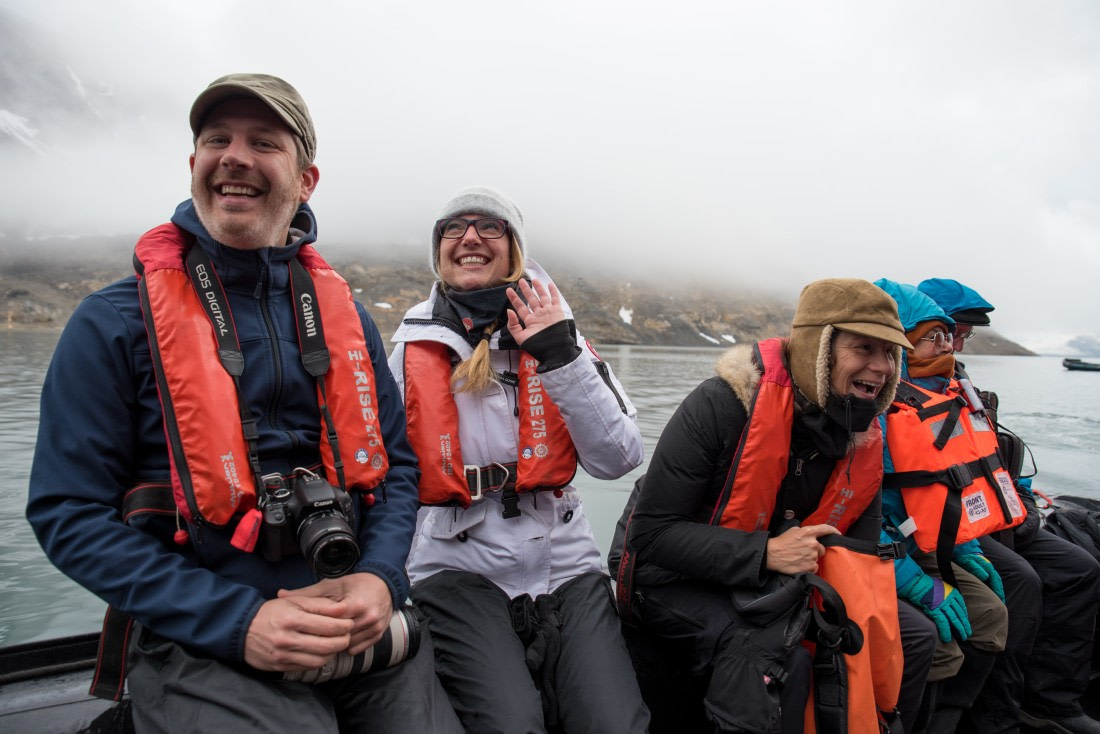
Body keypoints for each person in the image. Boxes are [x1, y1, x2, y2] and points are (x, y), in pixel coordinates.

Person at [25, 74, 461, 732]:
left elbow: (396, 468)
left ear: (305, 181)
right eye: (216, 140)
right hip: (201, 635)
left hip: (353, 614)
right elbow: (67, 514)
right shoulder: (113, 322)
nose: (234, 156)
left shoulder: (348, 321)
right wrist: (238, 622)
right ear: (193, 165)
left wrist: (380, 579)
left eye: (264, 142)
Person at [610, 278, 927, 734]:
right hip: (661, 576)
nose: (880, 368)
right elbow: (651, 534)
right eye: (864, 349)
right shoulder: (719, 405)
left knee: (913, 639)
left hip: (779, 580)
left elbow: (855, 554)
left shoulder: (863, 436)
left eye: (890, 354)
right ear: (819, 350)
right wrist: (765, 554)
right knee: (767, 651)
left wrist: (914, 588)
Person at [388, 186, 650, 733]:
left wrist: (561, 356)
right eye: (453, 229)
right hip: (455, 566)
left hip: (565, 562)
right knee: (509, 724)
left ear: (516, 249)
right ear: (438, 252)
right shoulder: (412, 347)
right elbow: (376, 468)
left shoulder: (562, 334)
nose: (470, 238)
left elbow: (620, 456)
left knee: (615, 724)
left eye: (490, 227)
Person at [918, 278, 1100, 734]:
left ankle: (1051, 699)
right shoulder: (904, 394)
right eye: (949, 332)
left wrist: (1021, 498)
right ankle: (996, 718)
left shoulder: (964, 387)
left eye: (961, 335)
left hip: (999, 517)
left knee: (1080, 568)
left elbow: (993, 456)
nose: (957, 344)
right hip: (953, 528)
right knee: (1020, 583)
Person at [874, 279, 1014, 734]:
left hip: (925, 545)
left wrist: (967, 547)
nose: (947, 346)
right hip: (885, 553)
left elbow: (942, 491)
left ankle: (949, 722)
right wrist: (915, 582)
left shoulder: (937, 398)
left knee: (992, 616)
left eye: (949, 335)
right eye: (933, 336)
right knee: (937, 642)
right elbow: (856, 515)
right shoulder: (869, 411)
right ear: (900, 342)